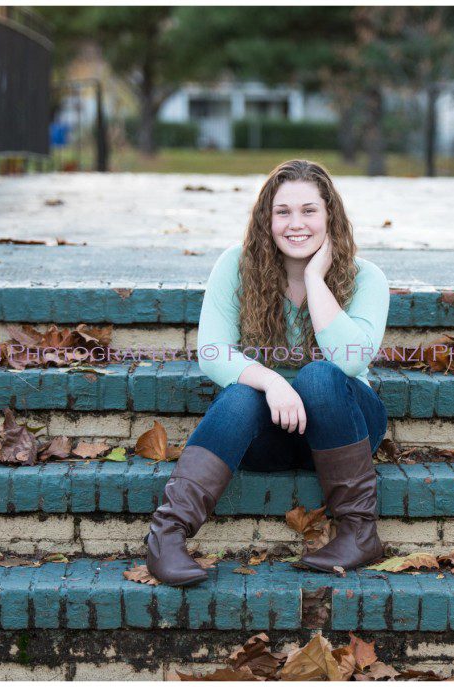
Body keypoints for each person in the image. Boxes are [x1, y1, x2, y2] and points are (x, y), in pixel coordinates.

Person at [144, 159, 391, 586]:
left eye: (309, 210)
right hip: (271, 432)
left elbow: (350, 360)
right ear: (267, 219)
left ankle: (358, 532)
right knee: (241, 395)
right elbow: (212, 353)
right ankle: (167, 537)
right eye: (283, 212)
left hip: (346, 426)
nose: (296, 223)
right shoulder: (236, 267)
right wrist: (273, 380)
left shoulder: (367, 278)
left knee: (319, 376)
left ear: (330, 215)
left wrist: (316, 278)